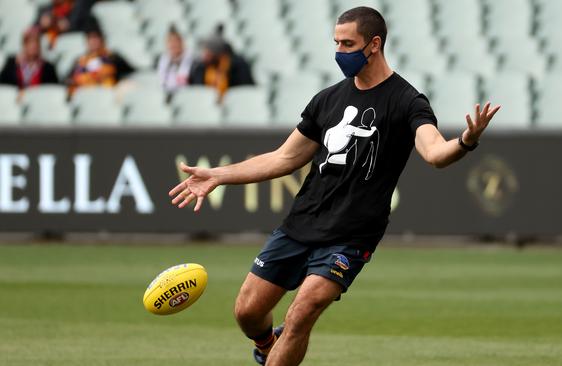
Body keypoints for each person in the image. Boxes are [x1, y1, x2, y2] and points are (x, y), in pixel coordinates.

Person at [169, 7, 500, 366]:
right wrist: (218, 175)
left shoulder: (407, 101)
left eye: (348, 44)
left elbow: (435, 152)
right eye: (336, 43)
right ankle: (268, 348)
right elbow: (283, 158)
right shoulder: (327, 99)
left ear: (374, 45)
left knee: (300, 314)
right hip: (302, 222)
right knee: (247, 312)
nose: (340, 52)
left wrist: (466, 140)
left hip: (352, 235)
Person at [189, 27, 254, 103]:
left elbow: (244, 91)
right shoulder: (201, 68)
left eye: (208, 53)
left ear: (217, 53)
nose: (204, 56)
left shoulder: (238, 66)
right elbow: (197, 91)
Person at [66, 25, 134, 95]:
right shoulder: (79, 61)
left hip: (108, 94)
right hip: (86, 96)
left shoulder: (112, 57)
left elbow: (130, 73)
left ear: (102, 40)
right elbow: (68, 80)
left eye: (96, 38)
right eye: (90, 38)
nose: (93, 41)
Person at [157, 25, 193, 94]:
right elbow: (161, 81)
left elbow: (183, 80)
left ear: (181, 42)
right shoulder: (164, 58)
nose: (173, 45)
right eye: (170, 41)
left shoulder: (190, 58)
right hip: (166, 93)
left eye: (176, 41)